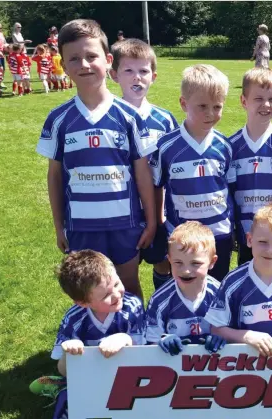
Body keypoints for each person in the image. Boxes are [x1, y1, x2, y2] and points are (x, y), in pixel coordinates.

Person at [36, 19, 157, 302]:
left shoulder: (129, 117)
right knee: (88, 291)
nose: (84, 64)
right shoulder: (59, 119)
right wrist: (59, 226)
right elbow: (54, 176)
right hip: (81, 226)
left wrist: (150, 221)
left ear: (108, 61)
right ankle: (93, 340)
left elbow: (142, 172)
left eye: (92, 56)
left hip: (125, 223)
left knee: (128, 286)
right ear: (64, 67)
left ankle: (134, 340)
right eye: (74, 59)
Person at [150, 64, 234, 283]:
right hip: (181, 236)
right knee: (183, 289)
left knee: (217, 290)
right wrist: (159, 223)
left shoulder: (225, 145)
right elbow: (156, 186)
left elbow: (229, 188)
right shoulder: (166, 147)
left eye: (217, 106)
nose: (211, 114)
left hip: (219, 233)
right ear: (183, 103)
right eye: (202, 106)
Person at [49, 250, 145, 419]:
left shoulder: (132, 307)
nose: (117, 295)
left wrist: (126, 339)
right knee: (68, 396)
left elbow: (147, 353)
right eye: (106, 295)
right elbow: (63, 370)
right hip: (88, 380)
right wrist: (70, 355)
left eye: (117, 283)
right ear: (83, 303)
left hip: (127, 379)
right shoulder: (74, 319)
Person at [110, 38, 179, 290]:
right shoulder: (110, 118)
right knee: (126, 270)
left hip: (160, 209)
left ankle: (160, 309)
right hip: (122, 210)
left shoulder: (165, 119)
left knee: (163, 262)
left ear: (154, 76)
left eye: (143, 71)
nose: (136, 78)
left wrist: (162, 212)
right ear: (114, 75)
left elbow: (173, 165)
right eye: (128, 71)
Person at [205, 204, 272, 357]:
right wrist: (247, 336)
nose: (270, 250)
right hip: (243, 363)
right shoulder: (233, 283)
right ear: (249, 240)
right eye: (263, 242)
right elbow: (216, 328)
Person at [229, 67, 272, 265]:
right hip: (246, 233)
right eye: (258, 99)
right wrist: (234, 226)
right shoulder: (232, 145)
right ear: (244, 101)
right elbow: (230, 191)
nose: (266, 104)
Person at [144, 221, 226, 355]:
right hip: (174, 369)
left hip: (215, 367)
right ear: (169, 260)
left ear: (212, 262)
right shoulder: (159, 300)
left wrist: (223, 339)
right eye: (178, 263)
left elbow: (234, 331)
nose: (186, 271)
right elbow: (150, 340)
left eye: (195, 263)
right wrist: (162, 340)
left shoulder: (221, 295)